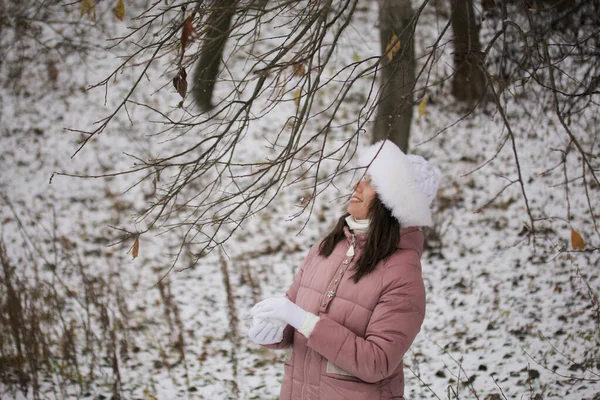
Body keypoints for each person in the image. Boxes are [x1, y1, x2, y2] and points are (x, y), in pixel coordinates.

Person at [248, 140, 439, 400]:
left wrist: (306, 322)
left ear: (393, 201)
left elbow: (377, 362)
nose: (357, 185)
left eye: (372, 181)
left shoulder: (402, 274)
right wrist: (273, 331)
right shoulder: (327, 248)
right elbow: (292, 321)